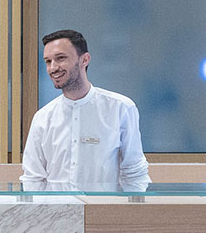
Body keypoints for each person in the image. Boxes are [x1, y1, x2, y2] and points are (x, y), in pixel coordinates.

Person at [21, 29, 150, 192]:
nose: (53, 68)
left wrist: (128, 214)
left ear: (84, 60)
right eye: (48, 61)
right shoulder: (43, 117)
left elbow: (134, 172)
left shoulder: (120, 108)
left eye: (61, 58)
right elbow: (33, 178)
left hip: (104, 213)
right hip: (55, 214)